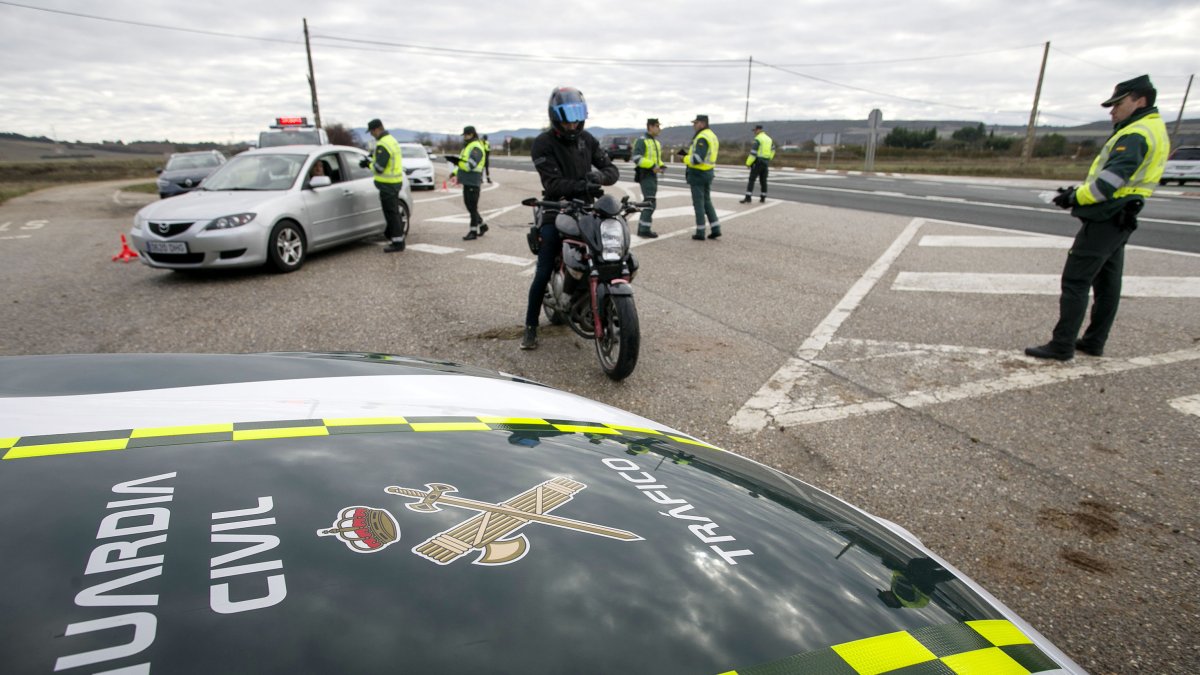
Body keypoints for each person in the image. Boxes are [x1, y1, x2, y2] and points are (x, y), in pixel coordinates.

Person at [1025, 74, 1170, 361]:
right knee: (1107, 283)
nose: (1112, 111)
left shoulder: (1135, 134)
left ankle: (1062, 345)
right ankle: (1094, 341)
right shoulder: (1154, 129)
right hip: (1123, 217)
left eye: (1118, 103)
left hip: (1108, 216)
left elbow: (1107, 184)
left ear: (1140, 101)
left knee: (1076, 281)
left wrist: (1072, 197)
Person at [521, 86, 619, 350]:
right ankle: (530, 326)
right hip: (557, 207)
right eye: (567, 115)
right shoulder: (543, 144)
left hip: (586, 209)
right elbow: (553, 184)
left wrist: (599, 177)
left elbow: (611, 169)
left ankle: (599, 300)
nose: (573, 121)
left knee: (608, 252)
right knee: (543, 271)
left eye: (577, 114)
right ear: (555, 115)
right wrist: (581, 186)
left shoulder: (587, 139)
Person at [360, 119, 407, 253]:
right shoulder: (391, 140)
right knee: (394, 212)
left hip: (388, 185)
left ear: (376, 129)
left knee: (391, 213)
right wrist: (372, 158)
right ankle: (395, 236)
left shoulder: (383, 144)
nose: (371, 135)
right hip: (395, 182)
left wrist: (367, 164)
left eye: (371, 132)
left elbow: (379, 167)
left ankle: (397, 242)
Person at [679, 114, 721, 240]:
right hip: (708, 172)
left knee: (699, 203)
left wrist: (684, 158)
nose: (694, 125)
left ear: (702, 123)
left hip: (698, 174)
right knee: (707, 201)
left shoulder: (702, 137)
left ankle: (700, 232)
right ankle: (716, 228)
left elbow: (697, 159)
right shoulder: (712, 135)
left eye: (695, 123)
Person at [448, 126, 489, 240]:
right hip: (467, 181)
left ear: (471, 134)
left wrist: (456, 162)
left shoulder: (475, 147)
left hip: (473, 180)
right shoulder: (468, 146)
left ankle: (473, 232)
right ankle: (483, 225)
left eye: (466, 135)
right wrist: (455, 172)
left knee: (472, 206)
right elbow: (463, 164)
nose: (464, 137)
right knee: (470, 205)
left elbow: (470, 165)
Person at [631, 118, 665, 238]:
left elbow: (656, 159)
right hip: (645, 175)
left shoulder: (655, 142)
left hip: (652, 175)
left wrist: (661, 166)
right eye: (657, 126)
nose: (659, 128)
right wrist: (652, 166)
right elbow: (636, 158)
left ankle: (643, 228)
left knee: (650, 202)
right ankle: (644, 229)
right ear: (650, 127)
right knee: (650, 202)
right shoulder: (642, 141)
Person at [740, 124, 774, 203]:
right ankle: (763, 197)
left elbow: (753, 153)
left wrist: (748, 163)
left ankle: (748, 197)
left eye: (755, 130)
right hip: (765, 162)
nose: (754, 132)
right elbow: (773, 150)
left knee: (751, 180)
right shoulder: (769, 139)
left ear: (758, 130)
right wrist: (769, 158)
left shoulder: (758, 139)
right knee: (763, 180)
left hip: (758, 162)